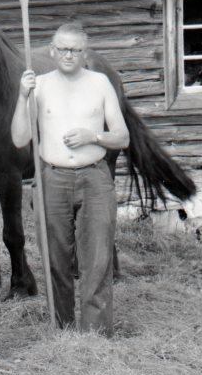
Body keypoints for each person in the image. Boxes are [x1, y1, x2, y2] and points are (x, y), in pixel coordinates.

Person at [11, 23, 129, 336]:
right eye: (62, 49)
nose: (68, 55)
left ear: (84, 53)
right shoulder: (40, 85)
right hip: (52, 178)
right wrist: (23, 97)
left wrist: (94, 135)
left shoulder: (99, 83)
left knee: (97, 257)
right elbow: (20, 137)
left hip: (94, 178)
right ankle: (61, 330)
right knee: (55, 257)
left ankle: (95, 333)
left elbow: (122, 137)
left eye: (75, 50)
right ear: (52, 51)